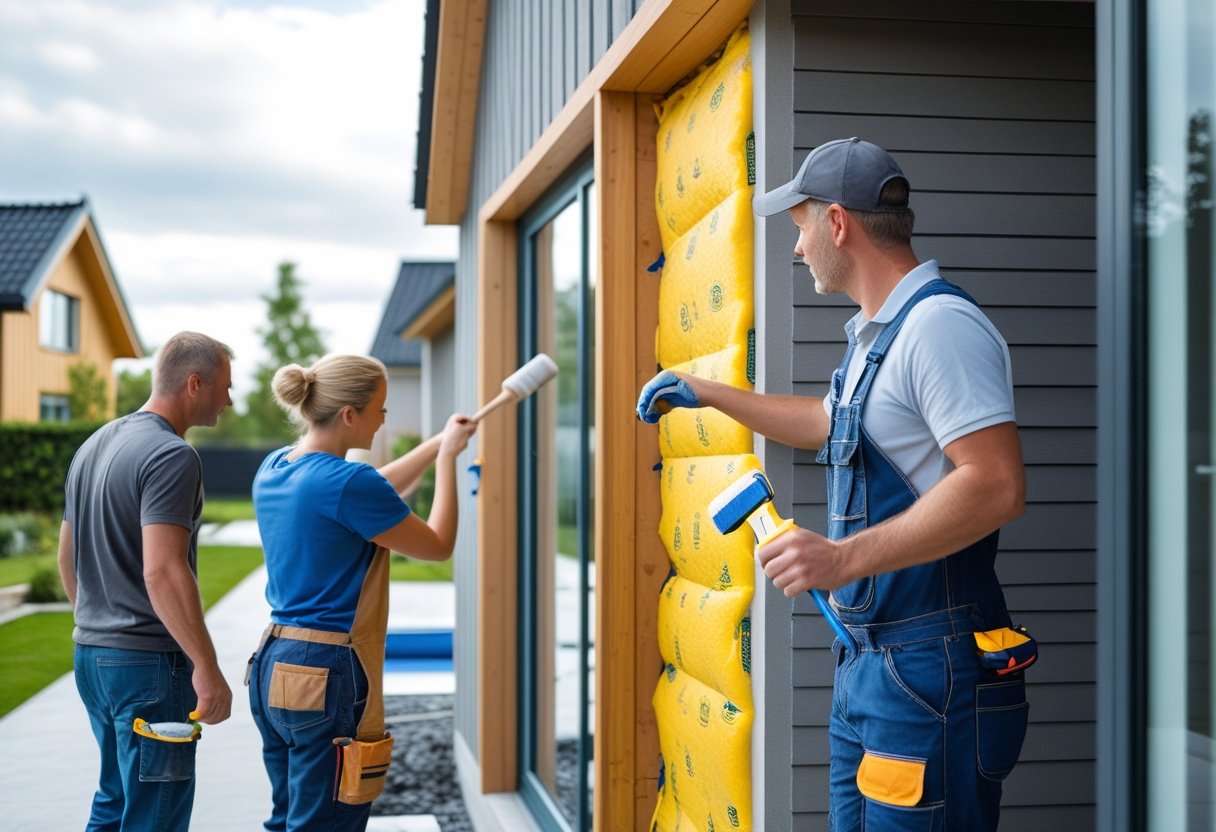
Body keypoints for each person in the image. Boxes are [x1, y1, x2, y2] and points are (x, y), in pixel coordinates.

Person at [637, 137, 1030, 830]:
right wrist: (711, 393)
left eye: (800, 227)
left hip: (929, 670)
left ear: (838, 224)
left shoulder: (939, 328)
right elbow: (829, 420)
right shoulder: (877, 337)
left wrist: (843, 558)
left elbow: (995, 486)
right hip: (871, 669)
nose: (797, 249)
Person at [247, 354, 477, 832]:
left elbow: (372, 492)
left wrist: (438, 443)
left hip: (274, 662)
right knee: (328, 823)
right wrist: (450, 460)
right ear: (350, 415)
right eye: (381, 409)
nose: (384, 420)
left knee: (288, 818)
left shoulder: (275, 467)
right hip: (327, 672)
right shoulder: (348, 483)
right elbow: (436, 544)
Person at [59, 330, 236, 832]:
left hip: (93, 658)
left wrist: (96, 623)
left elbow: (66, 556)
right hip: (149, 668)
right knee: (154, 818)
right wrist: (205, 665)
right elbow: (162, 570)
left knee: (115, 803)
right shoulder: (172, 456)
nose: (229, 398)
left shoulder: (94, 445)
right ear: (194, 383)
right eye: (225, 386)